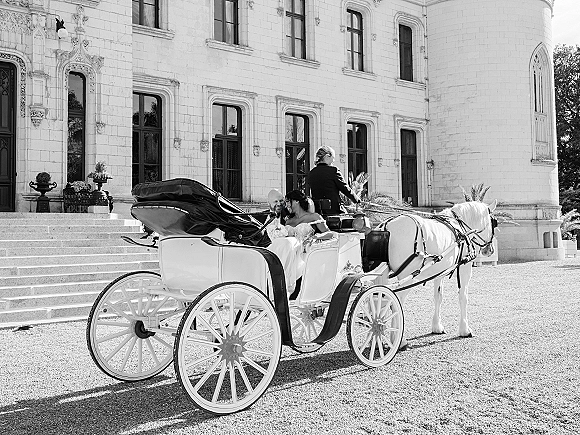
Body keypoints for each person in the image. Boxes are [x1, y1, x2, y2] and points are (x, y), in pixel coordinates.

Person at [267, 190, 333, 295]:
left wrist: (316, 237)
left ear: (297, 201)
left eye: (288, 201)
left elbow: (330, 234)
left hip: (304, 253)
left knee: (287, 244)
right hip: (291, 252)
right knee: (280, 244)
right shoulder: (289, 221)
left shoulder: (314, 217)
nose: (286, 205)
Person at [307, 145, 360, 215]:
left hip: (318, 212)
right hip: (334, 211)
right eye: (333, 158)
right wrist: (356, 200)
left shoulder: (311, 173)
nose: (333, 161)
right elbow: (344, 188)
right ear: (327, 156)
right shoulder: (333, 171)